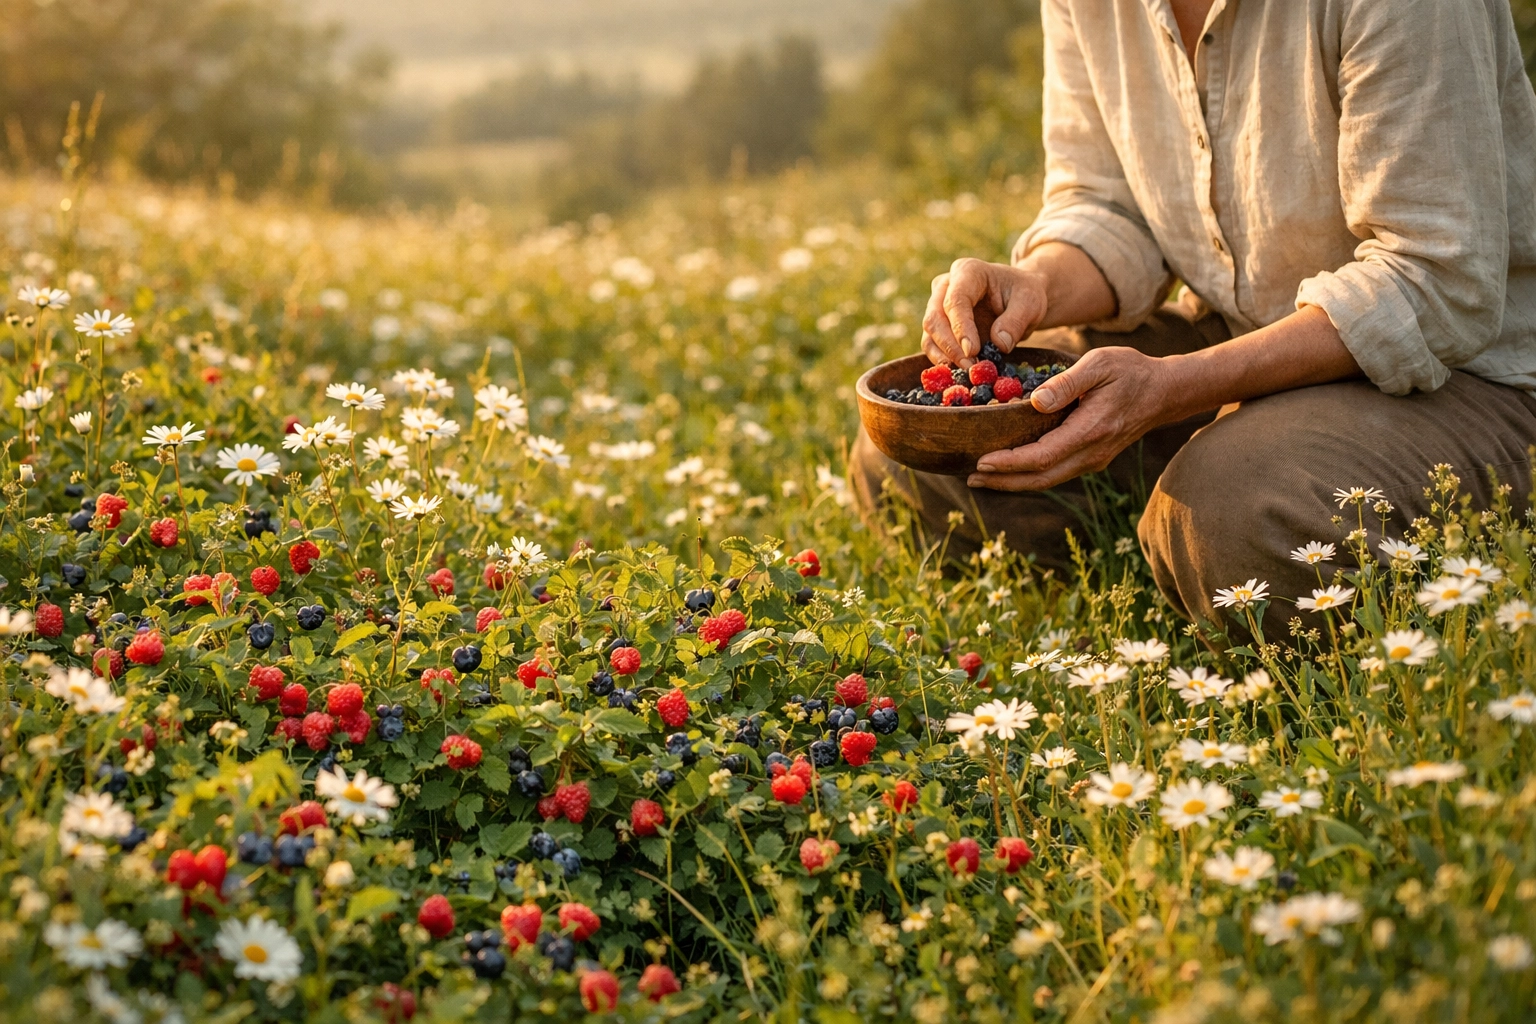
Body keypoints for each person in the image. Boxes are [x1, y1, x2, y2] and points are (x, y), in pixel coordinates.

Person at [851, 0, 1536, 632]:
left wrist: (1175, 387)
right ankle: (1184, 552)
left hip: (1472, 374)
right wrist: (1036, 282)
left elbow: (1434, 277)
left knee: (1228, 510)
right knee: (928, 456)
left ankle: (1216, 531)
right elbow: (1107, 204)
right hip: (1245, 336)